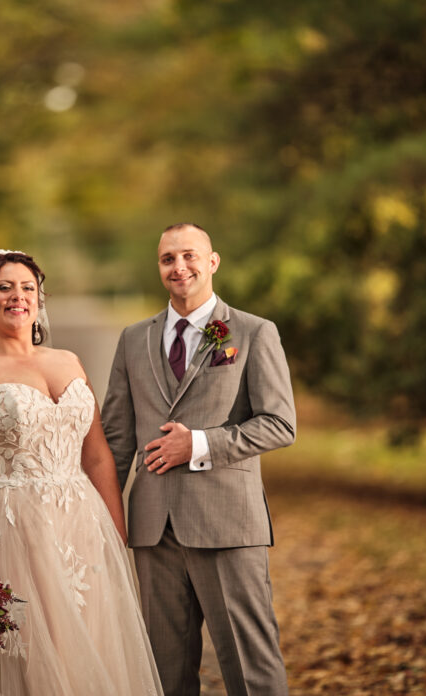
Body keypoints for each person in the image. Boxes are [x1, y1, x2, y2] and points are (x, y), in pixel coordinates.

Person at [0, 250, 163, 696]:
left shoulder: (68, 361)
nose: (17, 297)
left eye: (27, 288)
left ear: (40, 298)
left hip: (78, 528)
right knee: (24, 657)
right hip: (5, 530)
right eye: (4, 287)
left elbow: (96, 455)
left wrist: (116, 536)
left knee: (85, 647)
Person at [103, 223, 296, 696]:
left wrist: (201, 444)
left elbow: (280, 423)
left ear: (212, 262)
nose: (179, 267)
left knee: (251, 668)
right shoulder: (133, 340)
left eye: (189, 256)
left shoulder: (252, 332)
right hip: (153, 529)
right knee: (165, 675)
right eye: (168, 259)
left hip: (227, 523)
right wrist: (96, 515)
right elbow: (116, 440)